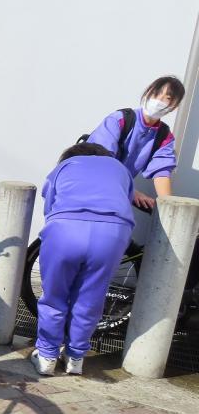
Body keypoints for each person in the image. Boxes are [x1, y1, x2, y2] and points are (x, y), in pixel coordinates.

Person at [30, 143, 135, 376]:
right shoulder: (120, 168)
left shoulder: (65, 165)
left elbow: (50, 204)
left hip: (65, 230)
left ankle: (47, 357)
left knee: (54, 296)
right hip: (112, 234)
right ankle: (75, 358)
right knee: (90, 299)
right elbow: (125, 200)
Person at [87, 76, 185, 209]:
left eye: (167, 98)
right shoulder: (119, 119)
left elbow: (161, 173)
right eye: (156, 93)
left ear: (174, 107)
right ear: (148, 92)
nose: (159, 100)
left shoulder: (164, 136)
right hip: (88, 183)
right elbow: (100, 159)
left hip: (114, 196)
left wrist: (169, 209)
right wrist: (129, 190)